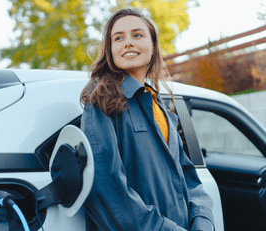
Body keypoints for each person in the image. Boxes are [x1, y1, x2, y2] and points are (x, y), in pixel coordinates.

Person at [80, 8, 215, 231]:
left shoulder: (162, 108)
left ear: (153, 47)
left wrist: (202, 220)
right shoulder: (101, 99)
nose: (128, 43)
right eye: (118, 38)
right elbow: (106, 186)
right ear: (110, 50)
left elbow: (189, 176)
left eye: (138, 35)